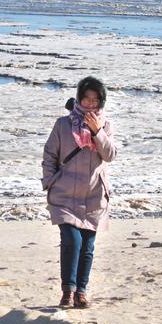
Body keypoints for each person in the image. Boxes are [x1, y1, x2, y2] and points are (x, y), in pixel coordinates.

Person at [41, 76, 116, 309]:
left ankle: (81, 292)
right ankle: (68, 291)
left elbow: (110, 155)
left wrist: (97, 132)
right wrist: (49, 182)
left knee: (87, 246)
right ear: (79, 98)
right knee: (71, 240)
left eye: (95, 100)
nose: (91, 104)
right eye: (87, 98)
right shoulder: (63, 124)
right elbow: (50, 155)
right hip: (65, 194)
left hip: (93, 195)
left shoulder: (105, 125)